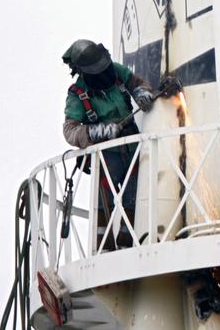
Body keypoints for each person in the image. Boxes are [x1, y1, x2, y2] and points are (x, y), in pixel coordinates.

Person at [62, 39, 157, 248]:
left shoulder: (116, 72)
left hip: (132, 148)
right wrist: (96, 131)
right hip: (106, 157)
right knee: (104, 206)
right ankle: (104, 246)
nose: (104, 72)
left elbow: (138, 84)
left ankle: (128, 242)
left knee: (133, 199)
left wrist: (143, 94)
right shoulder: (77, 93)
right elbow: (70, 130)